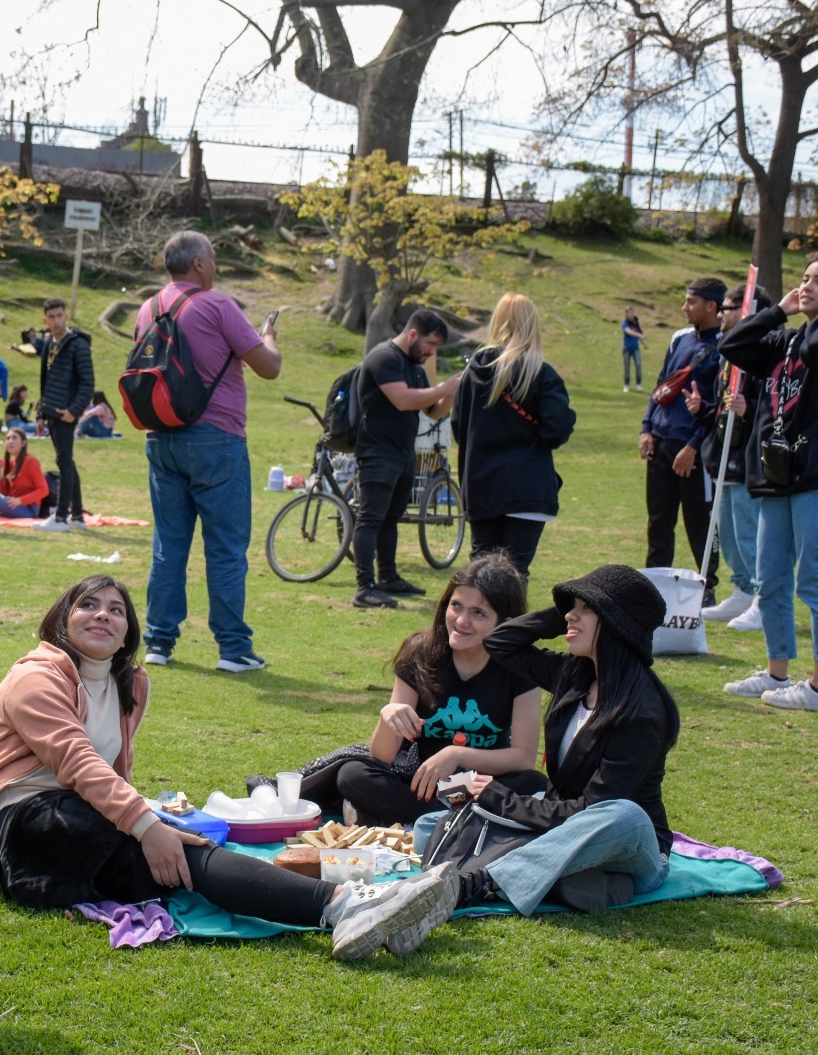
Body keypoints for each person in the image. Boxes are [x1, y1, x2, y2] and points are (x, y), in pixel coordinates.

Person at [0, 574, 462, 961]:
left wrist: (149, 825)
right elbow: (79, 764)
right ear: (63, 620)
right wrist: (146, 825)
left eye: (117, 609)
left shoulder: (127, 686)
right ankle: (349, 903)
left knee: (180, 862)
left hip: (79, 822)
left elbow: (111, 778)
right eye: (88, 605)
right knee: (177, 849)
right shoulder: (36, 675)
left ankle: (350, 913)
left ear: (128, 630)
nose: (103, 615)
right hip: (26, 825)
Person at [376, 564, 679, 955]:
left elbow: (594, 810)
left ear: (617, 625)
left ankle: (471, 886)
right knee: (432, 825)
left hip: (630, 841)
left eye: (585, 609)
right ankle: (579, 878)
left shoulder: (642, 713)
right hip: (559, 822)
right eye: (573, 607)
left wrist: (501, 799)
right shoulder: (575, 674)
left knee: (624, 813)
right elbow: (501, 643)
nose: (571, 615)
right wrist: (564, 611)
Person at [260, 554, 545, 827]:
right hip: (417, 784)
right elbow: (382, 756)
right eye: (456, 606)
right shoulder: (421, 651)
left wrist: (457, 755)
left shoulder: (521, 666)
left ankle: (396, 817)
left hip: (477, 786)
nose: (461, 621)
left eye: (478, 613)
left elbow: (522, 757)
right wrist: (389, 716)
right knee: (353, 774)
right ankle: (449, 819)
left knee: (534, 783)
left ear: (504, 623)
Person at [719, 256, 818, 713]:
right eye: (803, 278)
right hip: (777, 474)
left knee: (815, 581)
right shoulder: (783, 341)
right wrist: (778, 310)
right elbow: (732, 343)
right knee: (770, 580)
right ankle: (776, 671)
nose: (805, 286)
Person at [133, 230, 283, 671]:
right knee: (225, 547)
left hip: (162, 437)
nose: (215, 266)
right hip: (217, 437)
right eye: (212, 258)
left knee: (169, 545)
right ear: (198, 263)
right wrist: (268, 335)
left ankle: (159, 642)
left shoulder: (149, 307)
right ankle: (233, 648)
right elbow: (268, 368)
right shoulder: (217, 305)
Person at [452, 294, 576, 573]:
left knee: (481, 571)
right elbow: (557, 429)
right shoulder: (541, 373)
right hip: (526, 483)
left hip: (481, 481)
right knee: (515, 572)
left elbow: (459, 425)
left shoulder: (473, 371)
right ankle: (509, 618)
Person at [351, 309, 460, 609]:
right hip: (377, 451)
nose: (431, 352)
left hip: (403, 453)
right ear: (413, 334)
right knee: (371, 517)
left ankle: (388, 577)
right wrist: (442, 388)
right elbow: (403, 400)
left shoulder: (415, 367)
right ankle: (364, 587)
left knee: (391, 518)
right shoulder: (383, 358)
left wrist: (450, 393)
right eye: (430, 344)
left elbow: (432, 411)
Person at [639, 277, 725, 605]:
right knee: (659, 518)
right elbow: (662, 385)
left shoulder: (725, 347)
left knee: (699, 519)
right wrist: (647, 427)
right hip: (661, 442)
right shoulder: (679, 339)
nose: (684, 307)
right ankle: (653, 584)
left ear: (712, 306)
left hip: (695, 450)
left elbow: (718, 406)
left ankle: (707, 586)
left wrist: (693, 445)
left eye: (691, 302)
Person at [697, 284, 772, 631]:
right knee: (726, 533)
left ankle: (763, 597)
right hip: (723, 457)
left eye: (728, 308)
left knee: (746, 531)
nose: (721, 314)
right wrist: (703, 411)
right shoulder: (729, 356)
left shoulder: (765, 355)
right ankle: (742, 590)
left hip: (748, 459)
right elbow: (724, 409)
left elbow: (775, 409)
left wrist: (749, 409)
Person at [33, 298, 94, 532]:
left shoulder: (78, 345)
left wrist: (74, 411)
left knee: (64, 462)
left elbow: (88, 383)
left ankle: (60, 517)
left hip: (66, 413)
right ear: (45, 319)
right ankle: (77, 516)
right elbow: (44, 381)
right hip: (51, 411)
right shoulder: (49, 342)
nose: (56, 320)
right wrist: (40, 412)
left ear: (66, 316)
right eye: (51, 316)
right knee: (65, 460)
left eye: (59, 315)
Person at [0, 427, 49, 518]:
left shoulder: (31, 461)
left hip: (28, 508)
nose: (10, 441)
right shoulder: (12, 463)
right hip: (12, 503)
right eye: (8, 438)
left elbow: (44, 490)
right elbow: (5, 493)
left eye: (14, 438)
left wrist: (20, 500)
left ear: (23, 443)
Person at [621, 307, 645, 393]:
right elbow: (628, 332)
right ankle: (626, 385)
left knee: (638, 365)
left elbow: (639, 333)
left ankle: (638, 384)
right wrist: (639, 335)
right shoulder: (624, 323)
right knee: (627, 367)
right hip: (627, 348)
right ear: (626, 313)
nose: (632, 314)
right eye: (630, 312)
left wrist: (642, 341)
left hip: (635, 348)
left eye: (633, 312)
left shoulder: (635, 322)